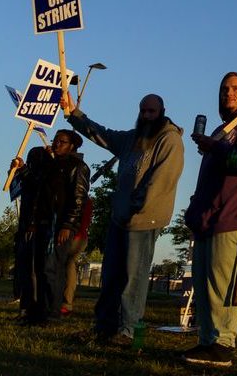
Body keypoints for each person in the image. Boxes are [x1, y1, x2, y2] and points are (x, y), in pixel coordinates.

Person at [62, 92, 185, 346]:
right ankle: (104, 326)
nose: (146, 115)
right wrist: (74, 115)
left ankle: (128, 331)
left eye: (151, 111)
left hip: (143, 220)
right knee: (111, 275)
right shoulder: (131, 139)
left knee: (134, 278)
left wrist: (137, 209)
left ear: (162, 112)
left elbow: (162, 180)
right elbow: (102, 134)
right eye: (143, 110)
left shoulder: (170, 140)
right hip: (120, 218)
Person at [181, 72, 237, 368]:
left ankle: (223, 344)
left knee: (223, 286)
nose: (228, 93)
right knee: (206, 288)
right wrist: (195, 210)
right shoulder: (222, 129)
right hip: (207, 220)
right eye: (223, 88)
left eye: (234, 88)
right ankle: (208, 341)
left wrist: (215, 148)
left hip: (234, 218)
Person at [10, 129, 90, 325]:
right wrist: (22, 169)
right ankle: (37, 313)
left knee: (51, 269)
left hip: (60, 225)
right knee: (38, 269)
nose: (57, 144)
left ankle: (52, 314)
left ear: (72, 146)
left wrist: (68, 225)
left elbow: (78, 199)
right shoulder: (50, 165)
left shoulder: (78, 167)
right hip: (42, 223)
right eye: (56, 140)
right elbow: (37, 187)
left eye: (62, 142)